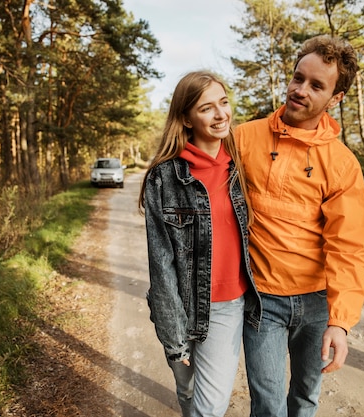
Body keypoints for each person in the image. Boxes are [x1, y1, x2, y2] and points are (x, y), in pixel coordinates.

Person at [235, 35, 364, 417]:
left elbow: (349, 247)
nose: (300, 90)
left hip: (317, 304)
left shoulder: (342, 164)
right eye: (298, 78)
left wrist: (340, 322)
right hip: (261, 300)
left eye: (316, 85)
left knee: (305, 400)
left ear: (336, 98)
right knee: (268, 405)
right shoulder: (244, 138)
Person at [138, 70, 261, 417]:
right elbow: (160, 264)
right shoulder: (163, 177)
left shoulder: (240, 168)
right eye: (207, 108)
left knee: (209, 408)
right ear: (186, 118)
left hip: (226, 306)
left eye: (224, 103)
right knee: (187, 390)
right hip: (177, 306)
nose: (221, 114)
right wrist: (175, 338)